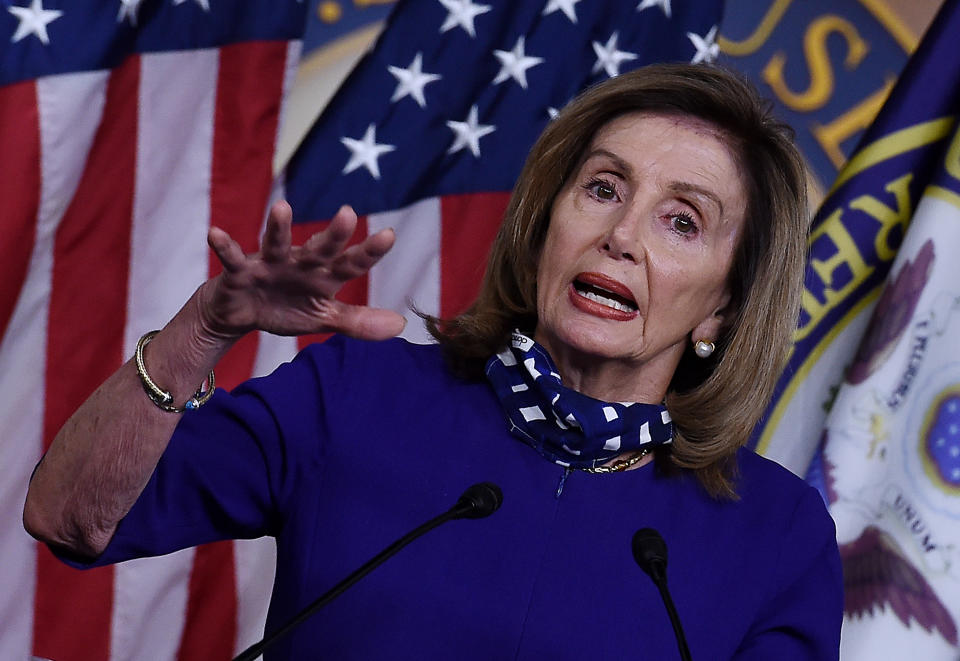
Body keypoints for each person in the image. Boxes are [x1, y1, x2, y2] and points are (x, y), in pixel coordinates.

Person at [24, 63, 842, 659]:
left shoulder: (776, 537)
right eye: (601, 188)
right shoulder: (359, 396)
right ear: (546, 220)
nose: (621, 236)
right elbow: (71, 515)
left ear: (723, 307)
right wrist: (203, 326)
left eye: (682, 222)